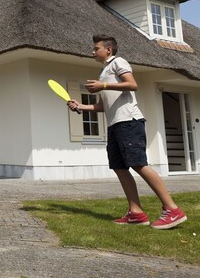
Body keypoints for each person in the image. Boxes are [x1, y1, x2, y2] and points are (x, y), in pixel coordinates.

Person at [68, 34, 187, 229]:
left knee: (138, 164)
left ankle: (172, 209)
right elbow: (102, 106)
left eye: (96, 48)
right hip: (114, 125)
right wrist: (81, 106)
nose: (92, 52)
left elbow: (133, 84)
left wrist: (103, 85)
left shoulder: (118, 62)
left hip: (129, 122)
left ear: (109, 49)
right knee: (119, 167)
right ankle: (136, 213)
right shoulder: (104, 71)